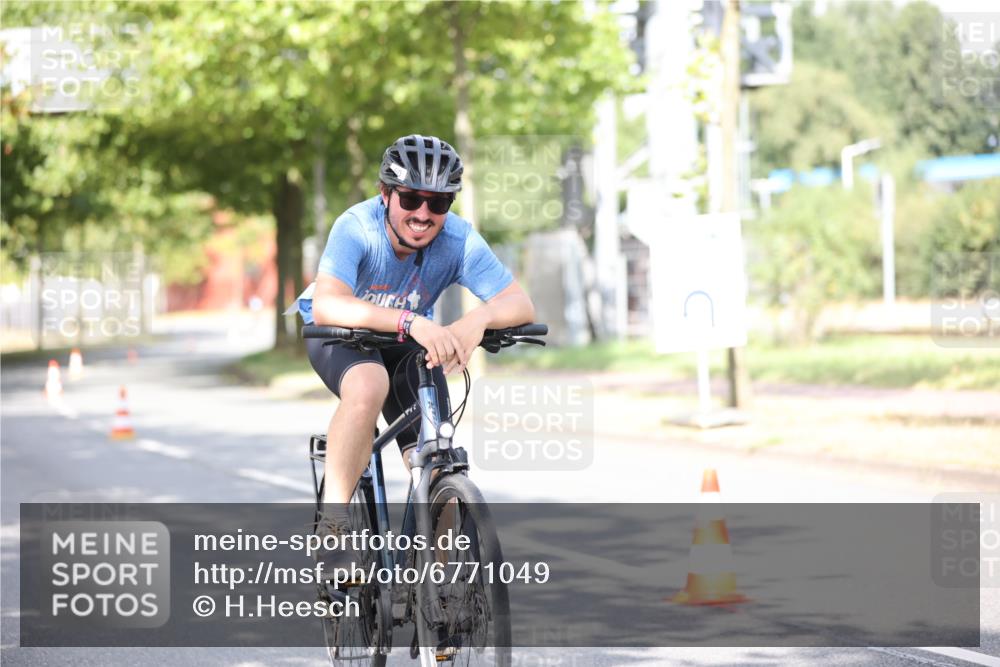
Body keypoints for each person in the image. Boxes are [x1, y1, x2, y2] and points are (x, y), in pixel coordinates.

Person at [296, 134, 535, 580]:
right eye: (410, 198)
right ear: (386, 194)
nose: (423, 214)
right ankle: (333, 529)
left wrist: (476, 321)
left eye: (439, 203)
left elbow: (519, 303)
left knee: (435, 453)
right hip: (340, 330)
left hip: (408, 340)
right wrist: (411, 321)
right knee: (368, 386)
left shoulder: (458, 239)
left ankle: (436, 591)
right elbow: (330, 304)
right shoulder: (356, 227)